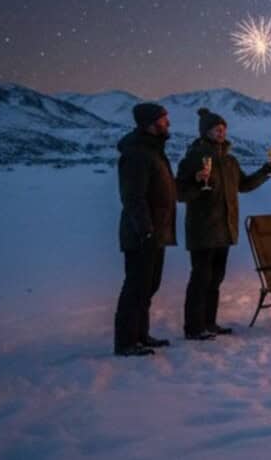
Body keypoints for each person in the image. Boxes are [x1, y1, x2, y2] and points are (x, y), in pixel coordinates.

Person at [175, 107, 271, 340]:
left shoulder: (230, 161)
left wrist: (265, 172)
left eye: (223, 129)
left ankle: (209, 323)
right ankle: (193, 327)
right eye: (216, 129)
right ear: (205, 132)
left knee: (215, 279)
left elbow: (244, 185)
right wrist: (196, 181)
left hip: (225, 228)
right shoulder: (193, 158)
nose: (221, 133)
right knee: (200, 278)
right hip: (202, 228)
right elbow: (180, 193)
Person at [114, 102, 177, 357]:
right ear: (150, 124)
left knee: (149, 286)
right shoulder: (137, 154)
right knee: (135, 287)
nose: (168, 123)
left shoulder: (153, 151)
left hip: (156, 232)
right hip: (142, 233)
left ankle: (140, 334)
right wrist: (146, 230)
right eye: (164, 120)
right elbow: (133, 197)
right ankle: (126, 342)